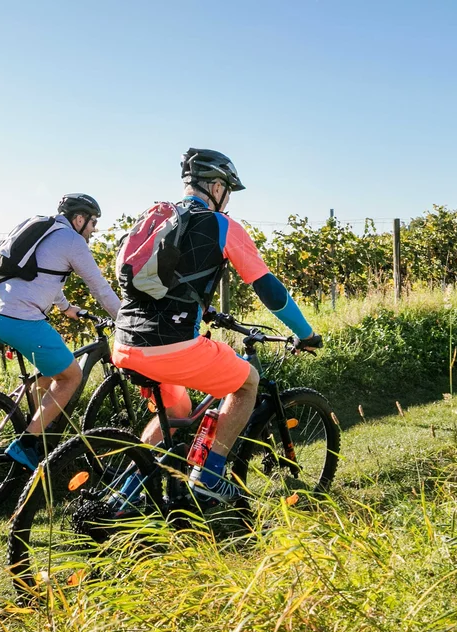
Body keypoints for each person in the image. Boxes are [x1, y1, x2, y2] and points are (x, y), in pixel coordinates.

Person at [110, 148, 322, 506]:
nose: (227, 200)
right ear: (215, 186)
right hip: (171, 346)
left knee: (176, 413)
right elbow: (268, 289)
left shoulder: (157, 219)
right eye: (227, 189)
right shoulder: (222, 226)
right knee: (247, 383)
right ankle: (208, 477)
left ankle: (124, 495)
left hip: (126, 342)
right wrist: (305, 333)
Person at [0, 193, 121, 470]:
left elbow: (40, 272)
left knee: (46, 374)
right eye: (93, 223)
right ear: (79, 219)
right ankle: (26, 444)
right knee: (71, 376)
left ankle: (31, 426)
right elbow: (100, 288)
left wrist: (66, 306)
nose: (94, 229)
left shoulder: (40, 226)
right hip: (18, 318)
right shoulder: (72, 240)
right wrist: (126, 319)